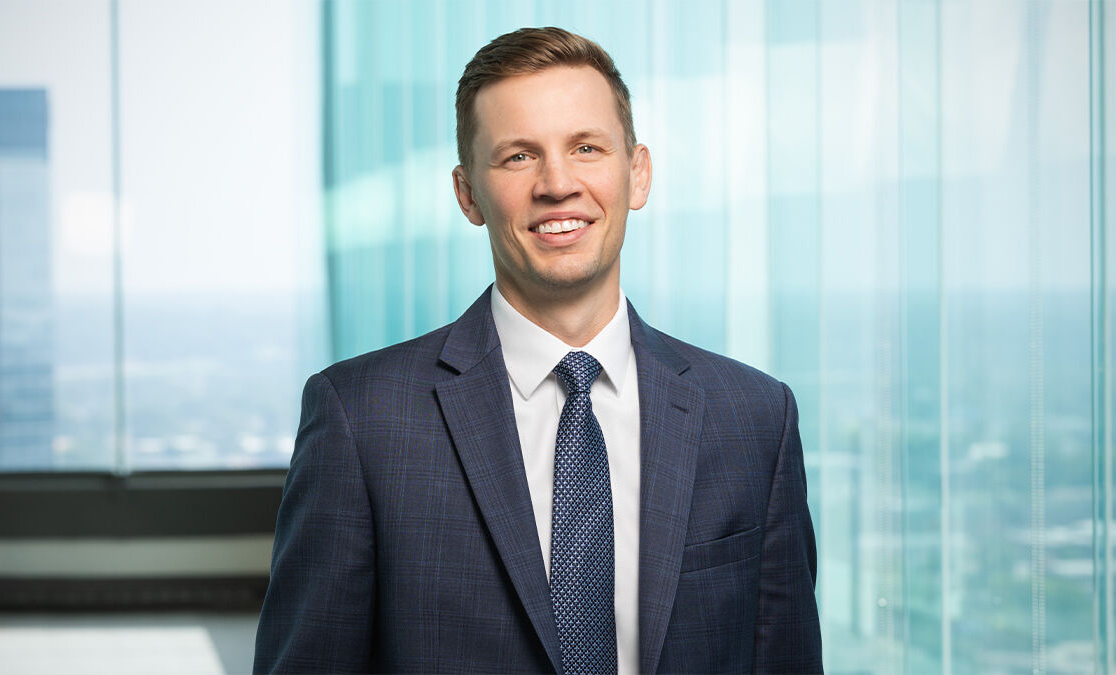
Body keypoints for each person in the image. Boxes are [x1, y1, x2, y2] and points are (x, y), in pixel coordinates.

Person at [254, 26, 822, 674]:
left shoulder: (753, 416)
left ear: (637, 174)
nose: (558, 183)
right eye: (518, 156)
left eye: (585, 147)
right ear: (468, 193)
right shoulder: (363, 418)